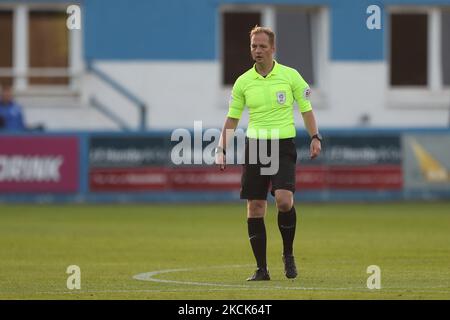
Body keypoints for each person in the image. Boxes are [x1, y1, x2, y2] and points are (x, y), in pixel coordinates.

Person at [215, 26, 322, 281]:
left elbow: (306, 109)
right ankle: (261, 269)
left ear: (273, 48)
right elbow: (232, 119)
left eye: (263, 46)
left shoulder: (290, 76)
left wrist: (315, 137)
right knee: (255, 208)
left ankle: (288, 254)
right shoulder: (243, 82)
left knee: (284, 200)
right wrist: (221, 148)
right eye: (254, 46)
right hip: (256, 146)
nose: (258, 50)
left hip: (283, 145)